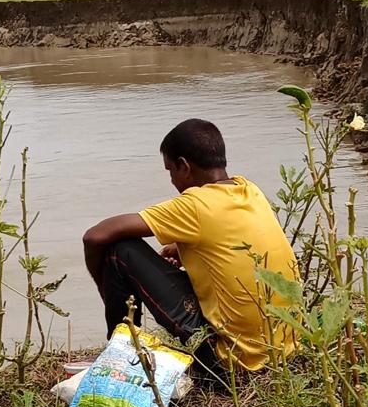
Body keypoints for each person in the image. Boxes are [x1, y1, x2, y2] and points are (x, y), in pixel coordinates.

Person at [82, 119, 298, 380]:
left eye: (170, 170)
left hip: (228, 363)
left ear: (184, 166)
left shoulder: (194, 205)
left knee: (119, 249)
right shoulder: (249, 190)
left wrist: (104, 287)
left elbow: (94, 236)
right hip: (282, 354)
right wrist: (183, 247)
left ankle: (119, 356)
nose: (171, 179)